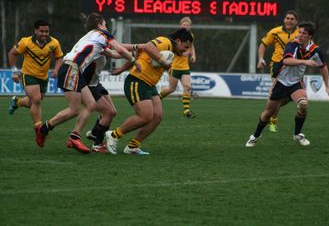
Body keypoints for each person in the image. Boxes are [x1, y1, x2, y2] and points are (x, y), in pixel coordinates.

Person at [35, 13, 140, 152]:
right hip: (71, 68)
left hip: (74, 69)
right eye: (105, 24)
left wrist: (137, 49)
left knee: (91, 104)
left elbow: (115, 53)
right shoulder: (101, 34)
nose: (106, 27)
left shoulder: (93, 37)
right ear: (99, 25)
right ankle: (48, 130)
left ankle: (71, 136)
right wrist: (134, 62)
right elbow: (119, 48)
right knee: (74, 109)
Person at [104, 28, 193, 155]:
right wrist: (163, 62)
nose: (186, 50)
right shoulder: (165, 41)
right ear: (178, 40)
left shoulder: (171, 50)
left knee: (157, 116)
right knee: (145, 116)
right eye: (185, 46)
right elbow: (147, 46)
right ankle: (113, 135)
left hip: (150, 85)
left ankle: (133, 146)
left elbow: (139, 53)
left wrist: (122, 69)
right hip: (137, 81)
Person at [245, 21, 329, 147]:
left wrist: (327, 87)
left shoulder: (315, 51)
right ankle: (255, 136)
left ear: (310, 36)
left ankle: (297, 134)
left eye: (304, 33)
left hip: (296, 83)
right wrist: (305, 62)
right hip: (281, 82)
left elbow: (323, 67)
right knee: (269, 112)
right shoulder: (292, 45)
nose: (300, 35)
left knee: (303, 104)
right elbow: (287, 60)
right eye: (300, 32)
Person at [7, 20, 63, 134]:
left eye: (47, 31)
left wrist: (56, 70)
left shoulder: (54, 43)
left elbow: (59, 57)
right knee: (36, 99)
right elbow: (12, 53)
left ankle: (17, 102)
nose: (44, 34)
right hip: (28, 75)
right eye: (41, 31)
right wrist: (14, 71)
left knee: (34, 102)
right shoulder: (25, 42)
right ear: (35, 30)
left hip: (43, 77)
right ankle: (38, 128)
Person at [257, 10, 299, 132]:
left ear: (296, 21)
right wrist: (260, 59)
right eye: (287, 18)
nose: (289, 21)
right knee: (276, 95)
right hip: (278, 65)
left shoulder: (300, 33)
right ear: (284, 20)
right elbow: (263, 44)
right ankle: (272, 120)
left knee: (286, 98)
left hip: (294, 66)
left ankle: (273, 108)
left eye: (292, 19)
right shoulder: (275, 32)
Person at [159, 17, 197, 118]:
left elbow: (191, 46)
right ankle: (157, 98)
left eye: (187, 25)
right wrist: (181, 53)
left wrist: (193, 55)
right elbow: (172, 47)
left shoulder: (190, 36)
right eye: (184, 24)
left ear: (190, 26)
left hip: (185, 67)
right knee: (171, 89)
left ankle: (186, 111)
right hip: (174, 66)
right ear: (180, 26)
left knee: (187, 87)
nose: (185, 26)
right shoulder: (176, 36)